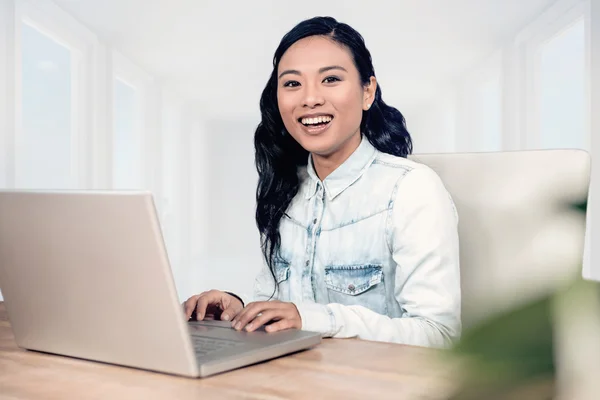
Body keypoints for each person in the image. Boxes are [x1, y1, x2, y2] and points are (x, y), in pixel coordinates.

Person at [184, 16, 461, 348]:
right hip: (292, 380)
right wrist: (237, 308)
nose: (310, 99)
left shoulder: (412, 189)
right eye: (292, 84)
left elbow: (440, 335)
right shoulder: (287, 189)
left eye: (330, 79)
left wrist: (315, 319)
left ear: (367, 92)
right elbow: (276, 301)